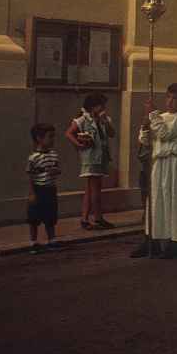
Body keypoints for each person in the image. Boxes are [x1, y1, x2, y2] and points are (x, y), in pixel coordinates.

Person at [132, 83, 177, 259]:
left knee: (176, 201)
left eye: (175, 98)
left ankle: (176, 243)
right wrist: (145, 125)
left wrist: (152, 115)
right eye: (168, 97)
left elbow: (165, 134)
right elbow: (146, 141)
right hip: (160, 164)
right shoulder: (160, 117)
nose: (170, 101)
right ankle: (151, 239)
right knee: (157, 201)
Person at [66, 93, 116, 230]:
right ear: (93, 106)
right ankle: (98, 217)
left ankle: (84, 218)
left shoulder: (103, 120)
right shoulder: (83, 119)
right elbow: (69, 133)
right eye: (101, 105)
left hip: (101, 157)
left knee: (90, 189)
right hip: (91, 158)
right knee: (95, 189)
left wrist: (106, 122)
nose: (103, 108)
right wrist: (78, 144)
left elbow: (112, 134)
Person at [26, 123, 62, 253]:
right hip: (38, 189)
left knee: (50, 215)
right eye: (50, 137)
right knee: (34, 217)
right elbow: (30, 175)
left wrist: (56, 171)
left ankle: (52, 239)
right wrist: (31, 193)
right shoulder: (34, 157)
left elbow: (58, 169)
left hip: (50, 189)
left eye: (53, 136)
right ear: (39, 138)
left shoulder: (54, 155)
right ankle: (33, 241)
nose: (52, 140)